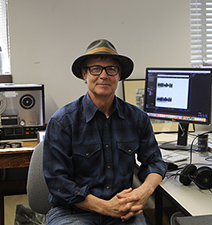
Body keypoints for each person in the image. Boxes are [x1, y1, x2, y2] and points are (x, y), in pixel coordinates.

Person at [43, 39, 167, 225]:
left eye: (111, 69)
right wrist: (105, 207)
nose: (103, 75)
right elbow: (57, 182)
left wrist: (143, 192)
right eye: (95, 69)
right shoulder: (62, 122)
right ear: (84, 74)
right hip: (74, 212)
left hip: (123, 211)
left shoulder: (137, 118)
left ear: (119, 75)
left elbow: (155, 162)